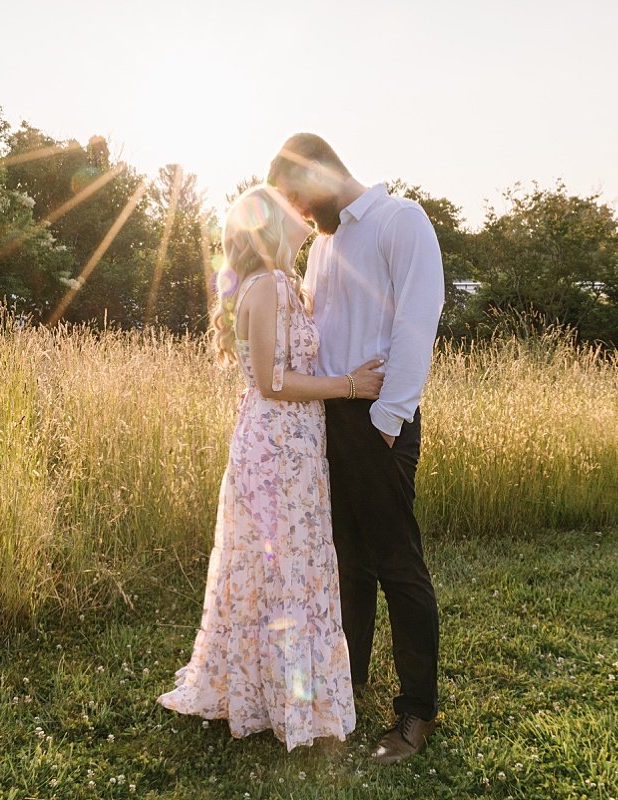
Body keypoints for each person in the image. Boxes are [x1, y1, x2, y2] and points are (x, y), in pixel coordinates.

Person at [157, 184, 385, 751]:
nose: (306, 217)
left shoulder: (289, 286)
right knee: (277, 569)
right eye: (293, 213)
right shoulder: (267, 287)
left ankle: (290, 693)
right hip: (273, 448)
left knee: (296, 563)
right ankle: (280, 698)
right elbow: (270, 382)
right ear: (273, 229)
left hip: (298, 444)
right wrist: (351, 386)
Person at [267, 133, 446, 765]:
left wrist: (388, 420)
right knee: (349, 560)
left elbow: (417, 322)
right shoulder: (321, 246)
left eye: (297, 198)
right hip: (328, 417)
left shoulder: (401, 221)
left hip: (379, 419)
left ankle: (417, 713)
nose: (298, 214)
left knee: (398, 563)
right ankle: (353, 681)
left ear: (319, 173)